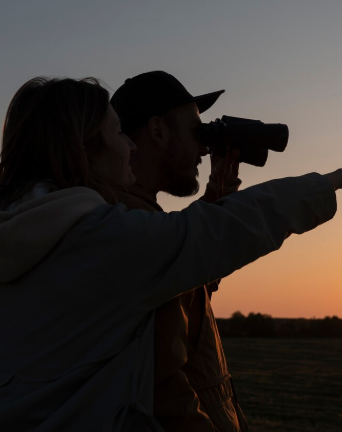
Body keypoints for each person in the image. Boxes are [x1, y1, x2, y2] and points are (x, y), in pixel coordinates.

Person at [0, 76, 342, 432]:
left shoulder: (4, 240)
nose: (129, 148)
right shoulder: (103, 239)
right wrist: (332, 181)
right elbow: (218, 233)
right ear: (85, 149)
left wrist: (214, 198)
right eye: (117, 134)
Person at [110, 71, 247, 431]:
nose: (204, 146)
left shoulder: (139, 218)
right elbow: (166, 393)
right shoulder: (133, 229)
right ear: (157, 130)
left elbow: (188, 290)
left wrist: (217, 197)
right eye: (195, 130)